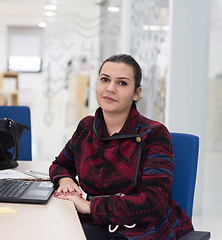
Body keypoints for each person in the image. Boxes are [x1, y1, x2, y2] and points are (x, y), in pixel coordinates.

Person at [49, 54, 193, 239]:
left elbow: (154, 202)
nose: (110, 88)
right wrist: (65, 180)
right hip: (97, 224)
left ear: (136, 93)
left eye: (122, 83)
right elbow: (60, 164)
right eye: (105, 80)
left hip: (140, 230)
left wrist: (90, 206)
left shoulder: (155, 134)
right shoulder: (87, 127)